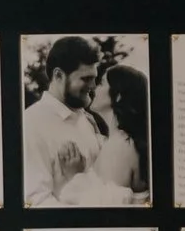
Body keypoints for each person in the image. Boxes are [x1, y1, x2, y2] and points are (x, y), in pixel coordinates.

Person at [22, 36, 103, 205]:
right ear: (58, 75)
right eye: (86, 79)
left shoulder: (86, 119)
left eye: (94, 78)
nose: (93, 86)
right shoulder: (31, 124)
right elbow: (37, 201)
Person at [59, 61, 144, 205]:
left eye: (101, 83)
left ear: (118, 96)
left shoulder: (120, 146)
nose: (93, 87)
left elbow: (105, 208)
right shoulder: (119, 141)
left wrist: (74, 176)